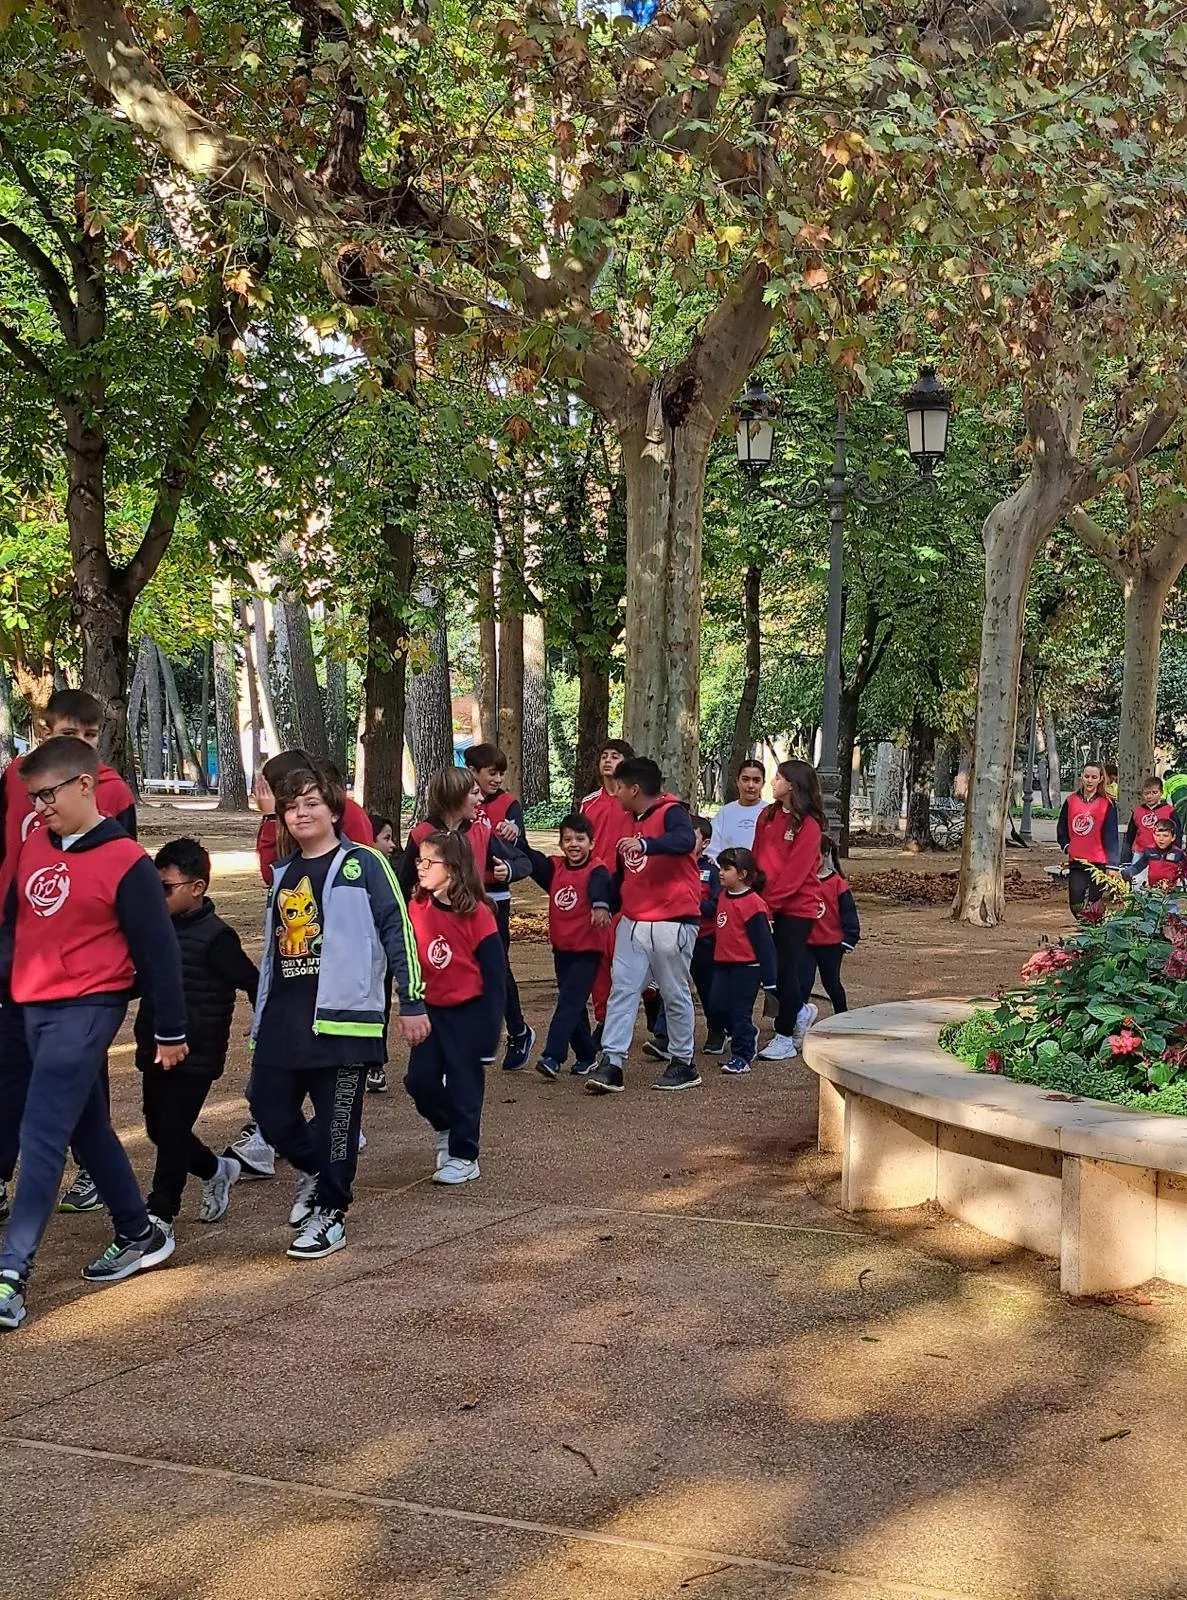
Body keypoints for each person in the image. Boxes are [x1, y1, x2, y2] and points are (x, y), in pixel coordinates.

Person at [0, 737, 185, 1332]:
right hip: (30, 1004)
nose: (39, 806)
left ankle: (10, 1274)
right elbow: (13, 925)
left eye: (48, 794)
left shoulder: (128, 861)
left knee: (42, 1130)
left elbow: (160, 956)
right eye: (33, 796)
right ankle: (137, 1231)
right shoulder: (34, 843)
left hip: (88, 1006)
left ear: (85, 785)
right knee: (86, 1125)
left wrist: (171, 1028)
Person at [249, 762, 428, 1260]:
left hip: (344, 1019)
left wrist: (410, 1002)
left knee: (337, 1122)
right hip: (285, 1017)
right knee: (268, 1109)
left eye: (311, 803)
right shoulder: (284, 872)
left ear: (333, 809)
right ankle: (315, 1172)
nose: (300, 813)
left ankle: (331, 1210)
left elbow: (399, 931)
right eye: (291, 806)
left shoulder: (365, 863)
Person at [0, 688, 138, 1221]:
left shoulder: (112, 792)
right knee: (12, 1056)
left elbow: (124, 870)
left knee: (81, 1063)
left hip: (79, 950)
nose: (80, 744)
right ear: (43, 731)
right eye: (67, 734)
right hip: (18, 941)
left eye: (88, 736)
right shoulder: (14, 781)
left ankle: (91, 1171)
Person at [135, 838, 259, 1234]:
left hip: (197, 1054)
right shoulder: (155, 928)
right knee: (157, 1128)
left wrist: (263, 1029)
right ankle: (215, 1169)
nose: (160, 895)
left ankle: (160, 1213)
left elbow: (253, 982)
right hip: (154, 1046)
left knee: (171, 1129)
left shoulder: (217, 938)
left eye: (167, 887)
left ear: (197, 887)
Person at [585, 757, 703, 1095]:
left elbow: (683, 841)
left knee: (673, 991)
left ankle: (683, 1061)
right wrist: (606, 902)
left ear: (634, 788)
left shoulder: (671, 811)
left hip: (673, 920)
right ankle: (612, 1062)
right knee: (622, 989)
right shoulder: (628, 820)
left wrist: (647, 844)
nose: (616, 793)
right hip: (635, 920)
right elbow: (623, 872)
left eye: (620, 787)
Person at [404, 830, 506, 1184]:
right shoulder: (416, 907)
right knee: (419, 1081)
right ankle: (446, 1127)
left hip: (468, 1011)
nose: (421, 867)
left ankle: (465, 1155)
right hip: (430, 1011)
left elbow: (496, 978)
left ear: (453, 867)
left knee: (465, 1086)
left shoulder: (478, 914)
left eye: (429, 861)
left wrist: (491, 1031)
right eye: (419, 859)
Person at [524, 813, 616, 1080]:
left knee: (568, 1002)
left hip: (587, 949)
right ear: (561, 843)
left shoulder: (596, 869)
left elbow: (601, 888)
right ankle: (587, 1055)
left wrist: (600, 905)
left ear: (592, 843)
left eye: (580, 839)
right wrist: (516, 839)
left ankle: (553, 1055)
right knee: (571, 1004)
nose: (574, 844)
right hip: (562, 948)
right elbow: (534, 860)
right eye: (568, 840)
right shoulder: (557, 868)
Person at [465, 743, 535, 1072]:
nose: (497, 779)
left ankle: (517, 1029)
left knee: (496, 965)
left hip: (495, 898)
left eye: (501, 774)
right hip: (460, 899)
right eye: (492, 773)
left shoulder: (508, 804)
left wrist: (514, 837)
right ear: (473, 772)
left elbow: (521, 852)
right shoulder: (458, 805)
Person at [753, 759, 825, 1061]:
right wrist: (754, 895)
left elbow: (796, 875)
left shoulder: (809, 825)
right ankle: (800, 1011)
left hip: (797, 908)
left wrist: (769, 905)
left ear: (793, 785)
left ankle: (784, 1035)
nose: (773, 782)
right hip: (767, 904)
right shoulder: (766, 816)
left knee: (785, 969)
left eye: (779, 778)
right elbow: (757, 857)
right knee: (769, 970)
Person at [643, 815, 727, 1060]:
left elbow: (717, 905)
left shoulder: (711, 871)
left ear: (705, 842)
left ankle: (717, 1030)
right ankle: (664, 1037)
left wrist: (690, 903)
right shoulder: (670, 866)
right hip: (674, 936)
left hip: (704, 939)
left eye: (691, 836)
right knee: (672, 986)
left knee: (708, 989)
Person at [252, 749, 374, 884]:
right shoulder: (289, 815)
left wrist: (271, 818)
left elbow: (363, 866)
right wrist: (271, 818)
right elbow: (273, 873)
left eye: (266, 789)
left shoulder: (346, 810)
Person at [580, 739, 636, 1031]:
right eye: (604, 755)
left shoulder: (634, 801)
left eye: (615, 756)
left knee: (631, 955)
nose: (608, 760)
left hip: (631, 888)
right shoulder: (588, 803)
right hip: (598, 888)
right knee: (600, 956)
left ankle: (655, 1009)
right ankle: (604, 1020)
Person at [711, 847, 777, 1075]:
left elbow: (764, 944)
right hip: (723, 964)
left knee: (740, 1012)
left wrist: (769, 980)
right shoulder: (722, 896)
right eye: (720, 868)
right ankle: (747, 1034)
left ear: (742, 874)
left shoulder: (754, 904)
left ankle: (742, 1055)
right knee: (717, 1007)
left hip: (747, 967)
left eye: (726, 869)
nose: (721, 873)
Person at [797, 836, 860, 1022]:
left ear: (825, 855)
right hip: (806, 944)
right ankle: (797, 1020)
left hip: (831, 945)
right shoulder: (801, 881)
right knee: (802, 984)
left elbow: (849, 914)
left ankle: (842, 1017)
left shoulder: (837, 883)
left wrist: (848, 940)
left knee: (831, 984)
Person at [1056, 763, 1119, 917]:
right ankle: (1085, 926)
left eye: (1094, 777)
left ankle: (1091, 932)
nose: (1089, 781)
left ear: (1101, 779)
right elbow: (1062, 827)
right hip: (1077, 861)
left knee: (1094, 903)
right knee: (1075, 902)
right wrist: (1066, 846)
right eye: (1087, 776)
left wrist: (1112, 865)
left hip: (1099, 862)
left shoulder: (1107, 803)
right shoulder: (1071, 800)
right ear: (1081, 777)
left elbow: (1112, 835)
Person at [707, 760, 766, 859]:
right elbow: (712, 849)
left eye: (756, 780)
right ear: (737, 782)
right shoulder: (725, 813)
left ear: (763, 783)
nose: (750, 785)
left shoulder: (771, 812)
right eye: (745, 779)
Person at [1120, 817, 1187, 891]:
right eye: (1158, 835)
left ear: (1173, 838)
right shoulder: (1149, 850)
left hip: (1170, 894)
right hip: (1152, 891)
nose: (1161, 839)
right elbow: (1137, 867)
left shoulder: (1178, 853)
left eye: (1165, 836)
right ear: (1154, 835)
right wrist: (1124, 873)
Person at [1124, 776, 1180, 862]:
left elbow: (1177, 833)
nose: (1150, 796)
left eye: (1154, 792)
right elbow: (1130, 835)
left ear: (1161, 792)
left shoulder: (1169, 811)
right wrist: (1126, 857)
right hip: (1140, 853)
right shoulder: (1137, 811)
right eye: (1146, 793)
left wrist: (1176, 852)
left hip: (1162, 853)